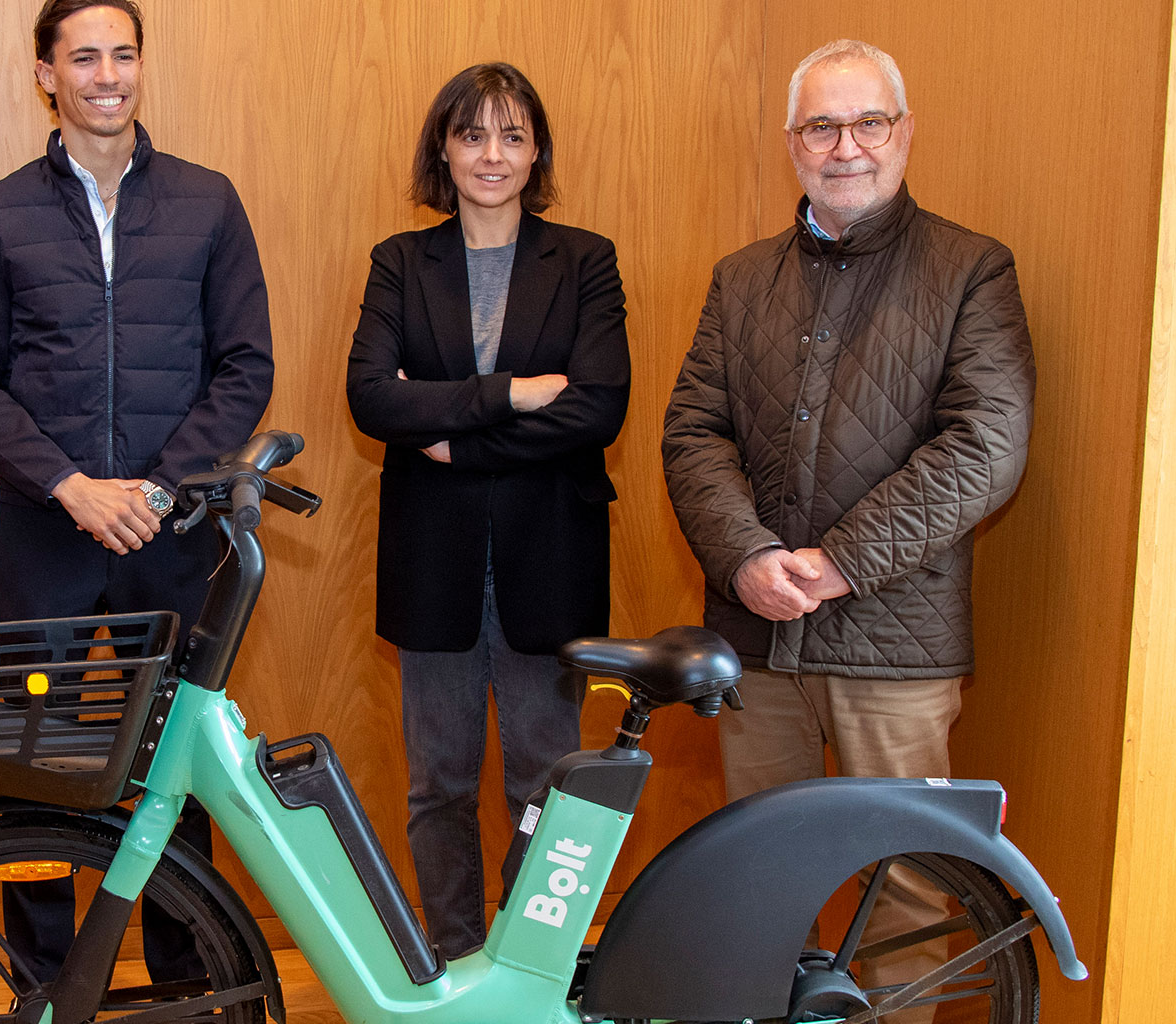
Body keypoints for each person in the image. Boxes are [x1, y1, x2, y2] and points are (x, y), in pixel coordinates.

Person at [661, 39, 1034, 1021]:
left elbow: (985, 446)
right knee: (753, 876)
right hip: (759, 641)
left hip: (896, 650)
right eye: (822, 125)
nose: (847, 145)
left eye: (869, 121)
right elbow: (693, 433)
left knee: (905, 887)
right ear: (792, 144)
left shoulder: (970, 270)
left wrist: (835, 565)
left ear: (905, 133)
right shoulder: (740, 279)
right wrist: (745, 557)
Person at [0, 0, 273, 985]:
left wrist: (161, 491)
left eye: (123, 54)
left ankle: (184, 987)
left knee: (178, 773)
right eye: (84, 57)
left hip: (172, 544)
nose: (107, 74)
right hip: (46, 539)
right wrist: (71, 486)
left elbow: (245, 367)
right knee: (37, 772)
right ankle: (42, 989)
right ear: (46, 73)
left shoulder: (209, 202)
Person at [346, 63, 630, 960]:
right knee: (438, 783)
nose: (492, 154)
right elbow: (373, 402)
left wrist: (458, 434)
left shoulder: (584, 259)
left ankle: (533, 964)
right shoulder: (400, 260)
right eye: (472, 134)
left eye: (512, 134)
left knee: (549, 783)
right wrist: (513, 393)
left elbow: (598, 408)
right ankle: (456, 963)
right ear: (444, 148)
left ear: (536, 149)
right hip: (436, 562)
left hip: (551, 556)